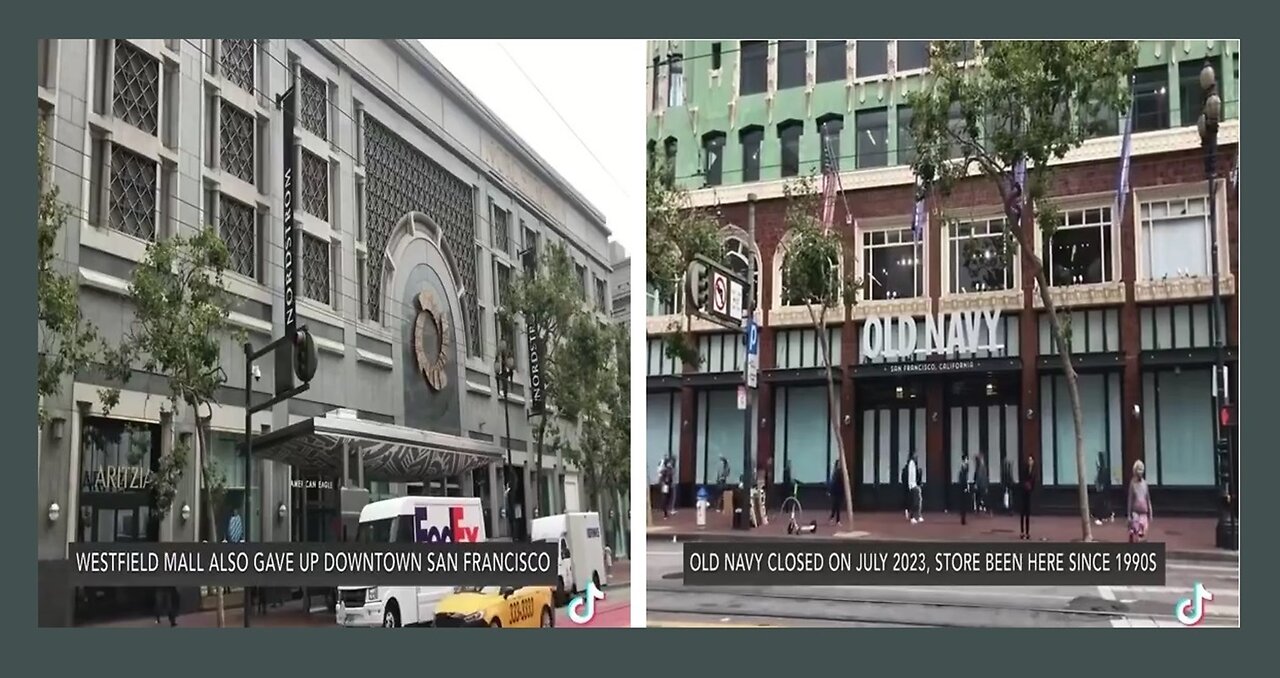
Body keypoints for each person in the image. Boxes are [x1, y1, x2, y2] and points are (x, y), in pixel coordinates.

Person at [1128, 460, 1152, 543]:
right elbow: (1130, 499)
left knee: (1143, 530)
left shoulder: (1145, 484)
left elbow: (1147, 498)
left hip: (1144, 512)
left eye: (1141, 470)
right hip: (1135, 512)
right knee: (1136, 530)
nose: (1140, 472)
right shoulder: (1132, 484)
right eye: (1138, 470)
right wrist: (1129, 515)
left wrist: (1150, 512)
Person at [1019, 455, 1037, 540]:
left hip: (1029, 493)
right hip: (1023, 492)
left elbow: (1034, 481)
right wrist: (1025, 485)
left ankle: (1027, 532)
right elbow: (1022, 479)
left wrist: (1031, 487)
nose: (1029, 462)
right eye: (1028, 460)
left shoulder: (1034, 470)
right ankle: (1022, 531)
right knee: (1022, 513)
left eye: (1031, 460)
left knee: (1028, 514)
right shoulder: (1025, 469)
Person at [902, 453, 923, 524]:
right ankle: (913, 516)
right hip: (913, 486)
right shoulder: (911, 464)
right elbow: (911, 476)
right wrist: (911, 485)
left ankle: (917, 515)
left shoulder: (914, 465)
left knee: (917, 501)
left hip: (914, 485)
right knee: (915, 502)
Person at [1094, 451, 1113, 525]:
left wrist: (1100, 486)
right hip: (1105, 488)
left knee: (1101, 502)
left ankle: (1101, 517)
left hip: (1102, 488)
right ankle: (1108, 514)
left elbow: (1101, 477)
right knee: (1105, 501)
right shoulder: (1104, 468)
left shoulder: (1102, 469)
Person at [827, 460, 844, 526]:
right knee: (836, 506)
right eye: (839, 464)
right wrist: (830, 491)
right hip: (836, 491)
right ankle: (836, 520)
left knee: (836, 507)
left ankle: (833, 518)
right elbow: (833, 483)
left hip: (840, 491)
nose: (839, 465)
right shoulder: (836, 473)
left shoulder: (841, 472)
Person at [957, 454, 971, 526]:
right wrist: (965, 487)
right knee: (963, 503)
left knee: (964, 503)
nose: (967, 461)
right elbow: (964, 478)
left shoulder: (964, 467)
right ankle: (963, 519)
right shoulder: (964, 467)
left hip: (963, 486)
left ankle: (963, 518)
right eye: (967, 459)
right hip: (963, 486)